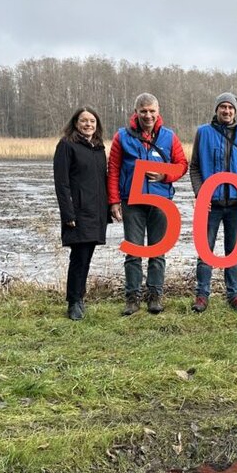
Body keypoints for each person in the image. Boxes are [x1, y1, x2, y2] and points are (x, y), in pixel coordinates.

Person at [107, 92, 188, 315]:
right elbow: (112, 169)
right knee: (133, 251)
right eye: (143, 111)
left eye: (152, 111)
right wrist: (114, 201)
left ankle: (155, 296)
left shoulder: (169, 137)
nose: (148, 115)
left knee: (158, 250)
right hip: (131, 202)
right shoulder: (122, 136)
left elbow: (182, 165)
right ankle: (132, 298)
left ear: (158, 112)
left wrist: (164, 176)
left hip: (161, 202)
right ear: (136, 112)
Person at [188, 92, 237, 313]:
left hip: (236, 205)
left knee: (233, 250)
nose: (226, 111)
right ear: (216, 110)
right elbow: (195, 167)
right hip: (210, 204)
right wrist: (201, 193)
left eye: (230, 108)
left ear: (235, 111)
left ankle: (234, 294)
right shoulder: (203, 133)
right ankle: (202, 295)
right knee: (205, 249)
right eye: (223, 107)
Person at [52, 107, 110, 320]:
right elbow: (62, 183)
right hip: (78, 213)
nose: (88, 125)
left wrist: (108, 210)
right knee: (79, 257)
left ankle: (80, 298)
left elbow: (102, 180)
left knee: (87, 257)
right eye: (84, 121)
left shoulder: (98, 147)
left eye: (92, 121)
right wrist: (68, 215)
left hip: (96, 212)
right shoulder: (67, 145)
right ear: (75, 123)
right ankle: (74, 302)